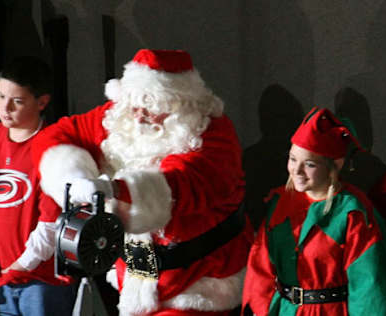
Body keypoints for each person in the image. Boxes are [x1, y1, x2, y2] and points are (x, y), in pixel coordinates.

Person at [31, 49, 253, 316]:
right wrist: (74, 176)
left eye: (151, 105)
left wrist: (115, 189)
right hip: (136, 281)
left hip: (197, 285)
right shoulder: (121, 118)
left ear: (180, 103)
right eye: (134, 104)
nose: (138, 115)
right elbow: (57, 136)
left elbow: (182, 184)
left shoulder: (213, 134)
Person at [242, 107, 386, 315]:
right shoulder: (280, 203)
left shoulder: (353, 213)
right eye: (293, 159)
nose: (297, 171)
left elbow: (370, 286)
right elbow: (261, 270)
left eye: (309, 164)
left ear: (335, 165)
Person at [0, 56, 76, 316]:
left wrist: (23, 264)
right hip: (0, 273)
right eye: (0, 96)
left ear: (42, 102)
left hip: (41, 279)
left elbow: (52, 220)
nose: (6, 108)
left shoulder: (53, 147)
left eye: (17, 101)